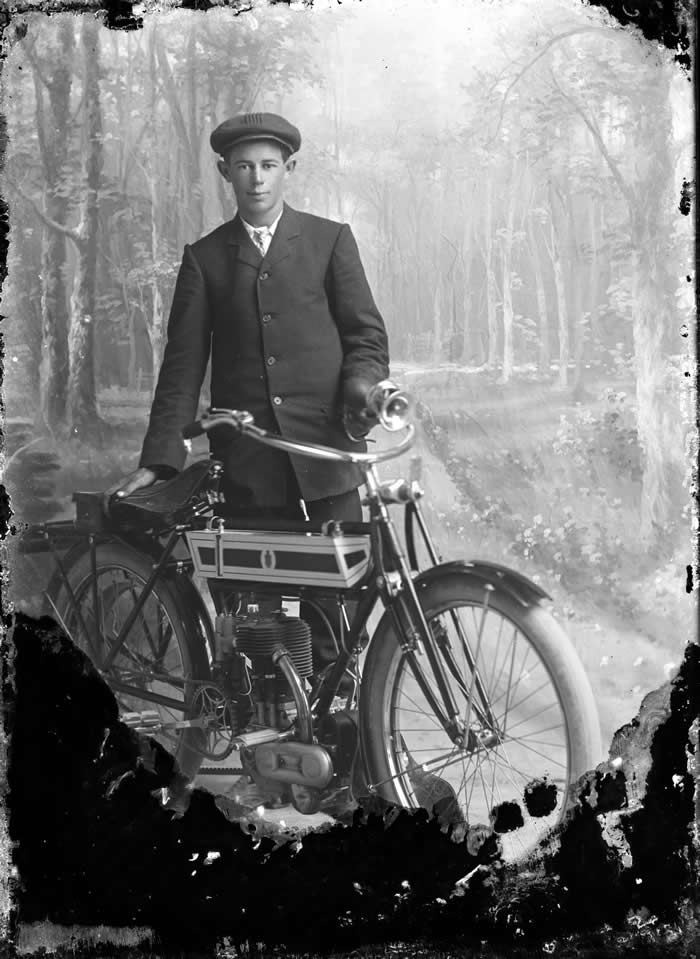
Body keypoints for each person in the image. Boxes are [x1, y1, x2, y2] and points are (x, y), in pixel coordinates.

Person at [106, 112, 389, 528]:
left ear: (288, 169)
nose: (257, 179)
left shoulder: (329, 241)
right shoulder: (204, 259)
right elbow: (182, 370)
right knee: (252, 587)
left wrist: (360, 388)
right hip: (247, 464)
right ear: (226, 172)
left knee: (337, 589)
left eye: (268, 166)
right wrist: (160, 461)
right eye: (244, 166)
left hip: (326, 453)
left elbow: (366, 337)